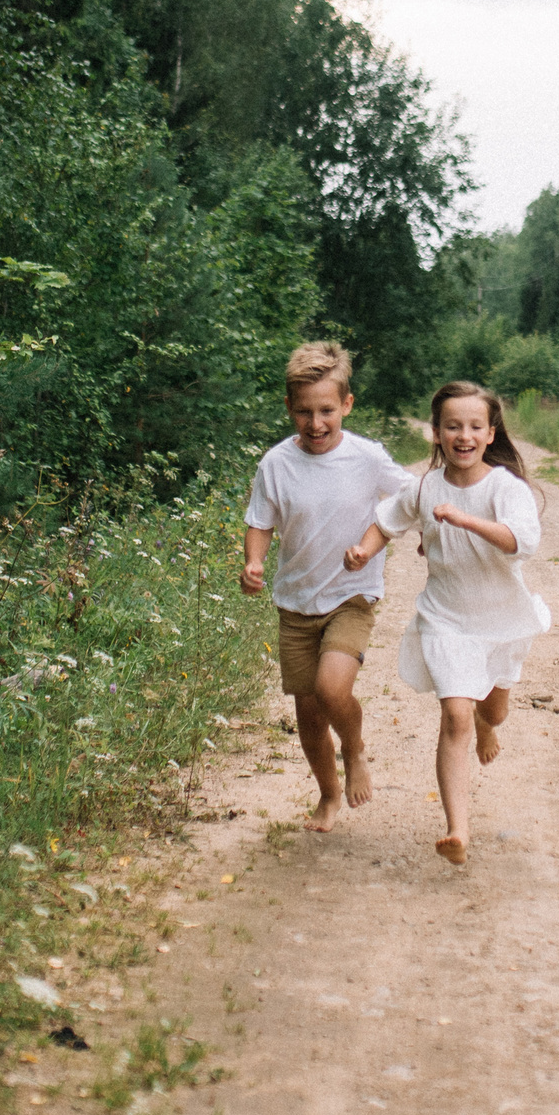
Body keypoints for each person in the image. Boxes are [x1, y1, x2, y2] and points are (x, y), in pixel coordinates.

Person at [343, 380, 549, 866]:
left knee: (492, 711)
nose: (464, 435)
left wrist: (466, 520)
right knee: (454, 713)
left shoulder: (505, 487)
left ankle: (487, 723)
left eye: (475, 426)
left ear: (491, 433)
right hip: (446, 617)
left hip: (501, 619)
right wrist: (363, 551)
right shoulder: (423, 488)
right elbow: (386, 522)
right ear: (435, 433)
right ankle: (457, 828)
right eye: (452, 426)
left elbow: (524, 542)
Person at [240, 341, 409, 832]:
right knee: (310, 715)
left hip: (350, 596)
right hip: (295, 603)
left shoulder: (367, 457)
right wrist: (253, 563)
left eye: (327, 411)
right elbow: (260, 521)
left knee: (332, 689)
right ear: (289, 409)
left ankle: (355, 750)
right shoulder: (276, 463)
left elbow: (408, 499)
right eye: (304, 412)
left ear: (347, 405)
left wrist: (403, 540)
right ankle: (328, 795)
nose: (316, 424)